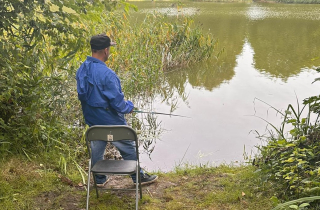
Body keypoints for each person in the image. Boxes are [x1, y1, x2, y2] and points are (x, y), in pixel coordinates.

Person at [76, 33, 158, 187]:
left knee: (96, 147)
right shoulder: (108, 74)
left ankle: (99, 179)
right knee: (128, 146)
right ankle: (138, 178)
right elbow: (119, 104)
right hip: (112, 123)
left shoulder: (82, 69)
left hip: (93, 123)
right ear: (105, 50)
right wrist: (130, 107)